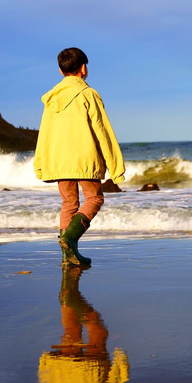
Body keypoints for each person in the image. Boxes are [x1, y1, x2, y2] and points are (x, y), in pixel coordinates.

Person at [34, 48, 125, 266]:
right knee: (94, 199)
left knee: (69, 203)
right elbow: (103, 131)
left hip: (58, 159)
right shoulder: (88, 94)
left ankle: (69, 258)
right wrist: (116, 167)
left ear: (60, 70)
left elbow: (44, 133)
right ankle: (70, 238)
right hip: (84, 156)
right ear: (83, 68)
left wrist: (40, 164)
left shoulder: (51, 99)